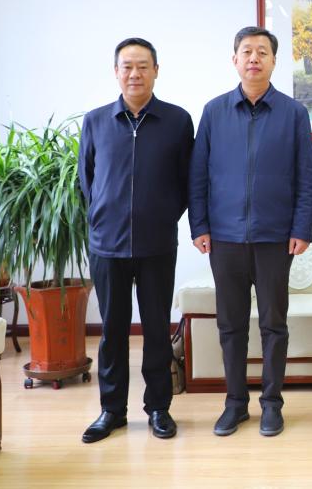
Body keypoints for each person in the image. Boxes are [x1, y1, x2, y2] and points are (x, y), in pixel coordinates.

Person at [188, 26, 312, 438]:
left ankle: (272, 404)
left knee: (274, 325)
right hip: (224, 237)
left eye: (262, 52)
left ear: (274, 61)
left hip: (275, 237)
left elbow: (306, 177)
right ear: (235, 60)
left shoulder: (294, 113)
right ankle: (235, 403)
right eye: (247, 51)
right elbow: (198, 174)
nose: (254, 58)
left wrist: (302, 228)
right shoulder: (214, 111)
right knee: (230, 325)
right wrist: (199, 225)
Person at [78, 38, 194, 443]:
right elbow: (86, 180)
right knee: (112, 330)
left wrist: (162, 216)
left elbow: (187, 182)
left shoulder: (177, 121)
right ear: (116, 72)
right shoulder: (96, 121)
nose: (135, 74)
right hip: (107, 245)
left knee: (157, 329)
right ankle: (112, 410)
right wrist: (103, 217)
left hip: (157, 244)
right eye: (127, 66)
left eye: (143, 66)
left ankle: (159, 408)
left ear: (156, 71)